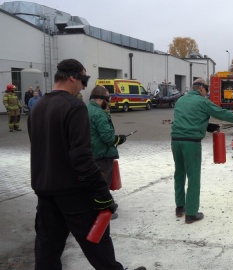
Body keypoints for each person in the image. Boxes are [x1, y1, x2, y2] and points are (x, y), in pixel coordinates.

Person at [27, 59, 145, 270]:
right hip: (73, 191)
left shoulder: (38, 107)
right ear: (72, 77)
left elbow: (41, 149)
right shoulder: (74, 107)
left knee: (47, 247)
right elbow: (81, 157)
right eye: (84, 79)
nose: (84, 85)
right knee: (97, 241)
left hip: (44, 189)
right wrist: (102, 193)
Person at [171, 78, 233, 224]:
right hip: (191, 143)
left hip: (176, 141)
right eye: (206, 91)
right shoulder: (203, 101)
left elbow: (187, 118)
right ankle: (191, 214)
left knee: (179, 174)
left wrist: (206, 126)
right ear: (201, 89)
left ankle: (180, 207)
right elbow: (221, 113)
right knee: (193, 177)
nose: (206, 94)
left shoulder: (181, 100)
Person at [87, 86, 127, 220]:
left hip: (92, 152)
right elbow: (107, 137)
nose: (108, 102)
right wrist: (118, 139)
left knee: (96, 182)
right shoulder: (99, 113)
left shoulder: (87, 109)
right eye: (107, 99)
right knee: (103, 183)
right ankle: (103, 211)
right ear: (100, 99)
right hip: (102, 154)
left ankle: (108, 203)